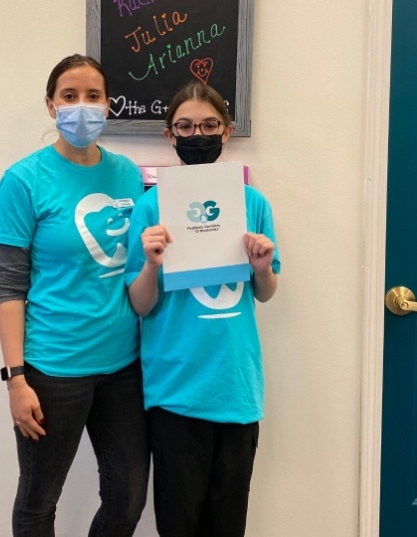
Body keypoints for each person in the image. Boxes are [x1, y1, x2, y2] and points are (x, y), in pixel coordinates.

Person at [0, 54, 150, 537]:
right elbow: (10, 286)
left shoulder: (127, 175)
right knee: (39, 501)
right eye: (70, 96)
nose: (82, 107)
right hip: (52, 370)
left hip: (124, 367)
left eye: (93, 96)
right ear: (50, 105)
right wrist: (16, 380)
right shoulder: (23, 181)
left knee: (127, 501)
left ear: (109, 104)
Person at [125, 81, 281, 537]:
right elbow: (139, 304)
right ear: (169, 135)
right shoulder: (149, 207)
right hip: (175, 391)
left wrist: (263, 267)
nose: (199, 134)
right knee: (178, 523)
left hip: (235, 388)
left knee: (227, 524)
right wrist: (151, 264)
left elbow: (266, 292)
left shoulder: (254, 204)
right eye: (186, 126)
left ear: (227, 131)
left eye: (209, 124)